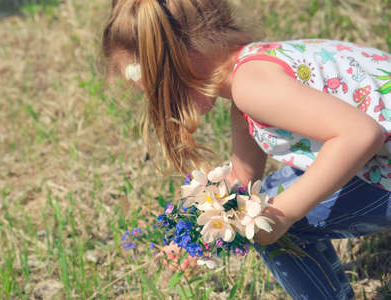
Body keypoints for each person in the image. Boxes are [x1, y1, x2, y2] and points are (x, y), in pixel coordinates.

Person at [102, 0, 391, 299]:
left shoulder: (252, 89)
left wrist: (282, 216)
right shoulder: (255, 71)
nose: (163, 108)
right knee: (262, 198)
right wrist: (197, 234)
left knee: (263, 222)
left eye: (159, 93)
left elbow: (360, 134)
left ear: (182, 61)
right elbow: (242, 176)